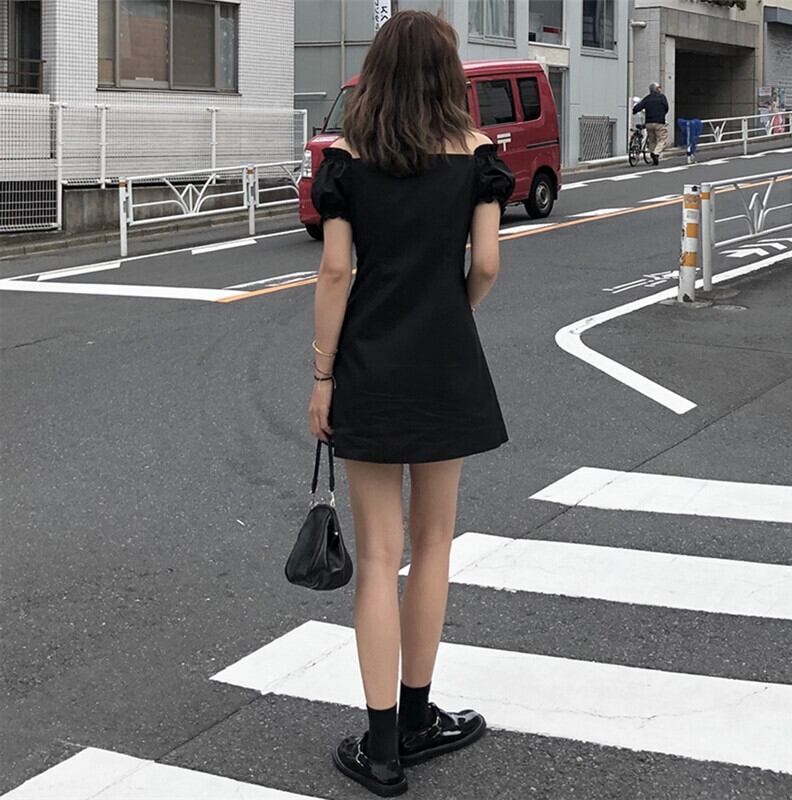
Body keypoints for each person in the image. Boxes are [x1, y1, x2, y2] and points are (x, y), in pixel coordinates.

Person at [307, 10, 513, 797]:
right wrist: (451, 313)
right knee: (433, 547)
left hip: (368, 363)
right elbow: (486, 263)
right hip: (444, 365)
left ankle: (383, 747)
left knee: (376, 558)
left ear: (381, 71)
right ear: (447, 74)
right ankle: (423, 717)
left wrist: (322, 376)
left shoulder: (347, 159)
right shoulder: (477, 154)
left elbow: (335, 273)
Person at [633, 83, 669, 165]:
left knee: (652, 140)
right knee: (662, 139)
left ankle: (653, 157)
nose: (660, 89)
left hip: (649, 123)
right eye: (659, 88)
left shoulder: (647, 98)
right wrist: (662, 114)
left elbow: (638, 107)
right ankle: (656, 153)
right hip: (659, 122)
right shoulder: (662, 97)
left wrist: (634, 111)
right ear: (657, 89)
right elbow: (666, 108)